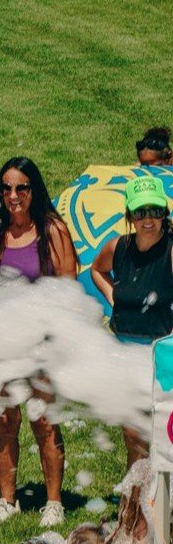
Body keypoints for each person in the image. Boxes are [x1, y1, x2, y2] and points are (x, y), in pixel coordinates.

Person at [0, 158, 75, 526]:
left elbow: (67, 287)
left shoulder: (52, 231)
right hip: (1, 344)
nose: (13, 196)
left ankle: (54, 501)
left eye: (22, 188)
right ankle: (7, 498)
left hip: (41, 342)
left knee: (44, 421)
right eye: (7, 188)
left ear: (34, 191)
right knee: (5, 420)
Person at [92, 175, 173, 467]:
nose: (148, 219)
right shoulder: (118, 248)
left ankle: (162, 506)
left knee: (163, 438)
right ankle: (136, 507)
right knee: (133, 437)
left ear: (165, 213)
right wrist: (114, 297)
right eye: (140, 212)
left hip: (161, 358)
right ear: (129, 215)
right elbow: (96, 270)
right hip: (125, 354)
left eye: (155, 211)